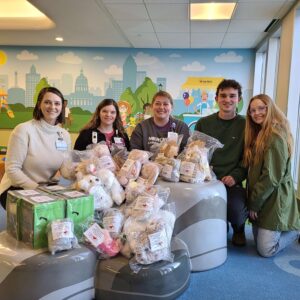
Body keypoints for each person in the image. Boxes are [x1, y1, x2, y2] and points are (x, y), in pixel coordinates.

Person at [243, 94, 300, 257]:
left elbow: (271, 178)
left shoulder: (274, 136)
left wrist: (254, 204)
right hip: (262, 193)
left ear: (270, 109)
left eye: (261, 108)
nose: (256, 113)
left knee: (266, 250)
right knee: (256, 240)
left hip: (274, 195)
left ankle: (296, 229)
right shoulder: (259, 133)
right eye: (252, 110)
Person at [195, 79, 248, 246]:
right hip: (207, 180)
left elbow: (249, 158)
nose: (227, 100)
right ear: (217, 98)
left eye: (232, 96)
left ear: (239, 99)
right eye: (223, 95)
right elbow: (195, 153)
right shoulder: (204, 123)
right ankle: (220, 225)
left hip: (233, 182)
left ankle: (238, 228)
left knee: (237, 213)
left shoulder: (246, 125)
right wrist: (204, 174)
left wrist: (236, 176)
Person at [0, 87, 71, 209]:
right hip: (16, 189)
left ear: (62, 107)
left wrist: (83, 170)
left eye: (57, 103)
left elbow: (65, 170)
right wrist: (37, 189)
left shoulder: (64, 135)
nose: (52, 107)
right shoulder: (23, 130)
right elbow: (12, 169)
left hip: (45, 189)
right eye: (47, 102)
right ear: (39, 105)